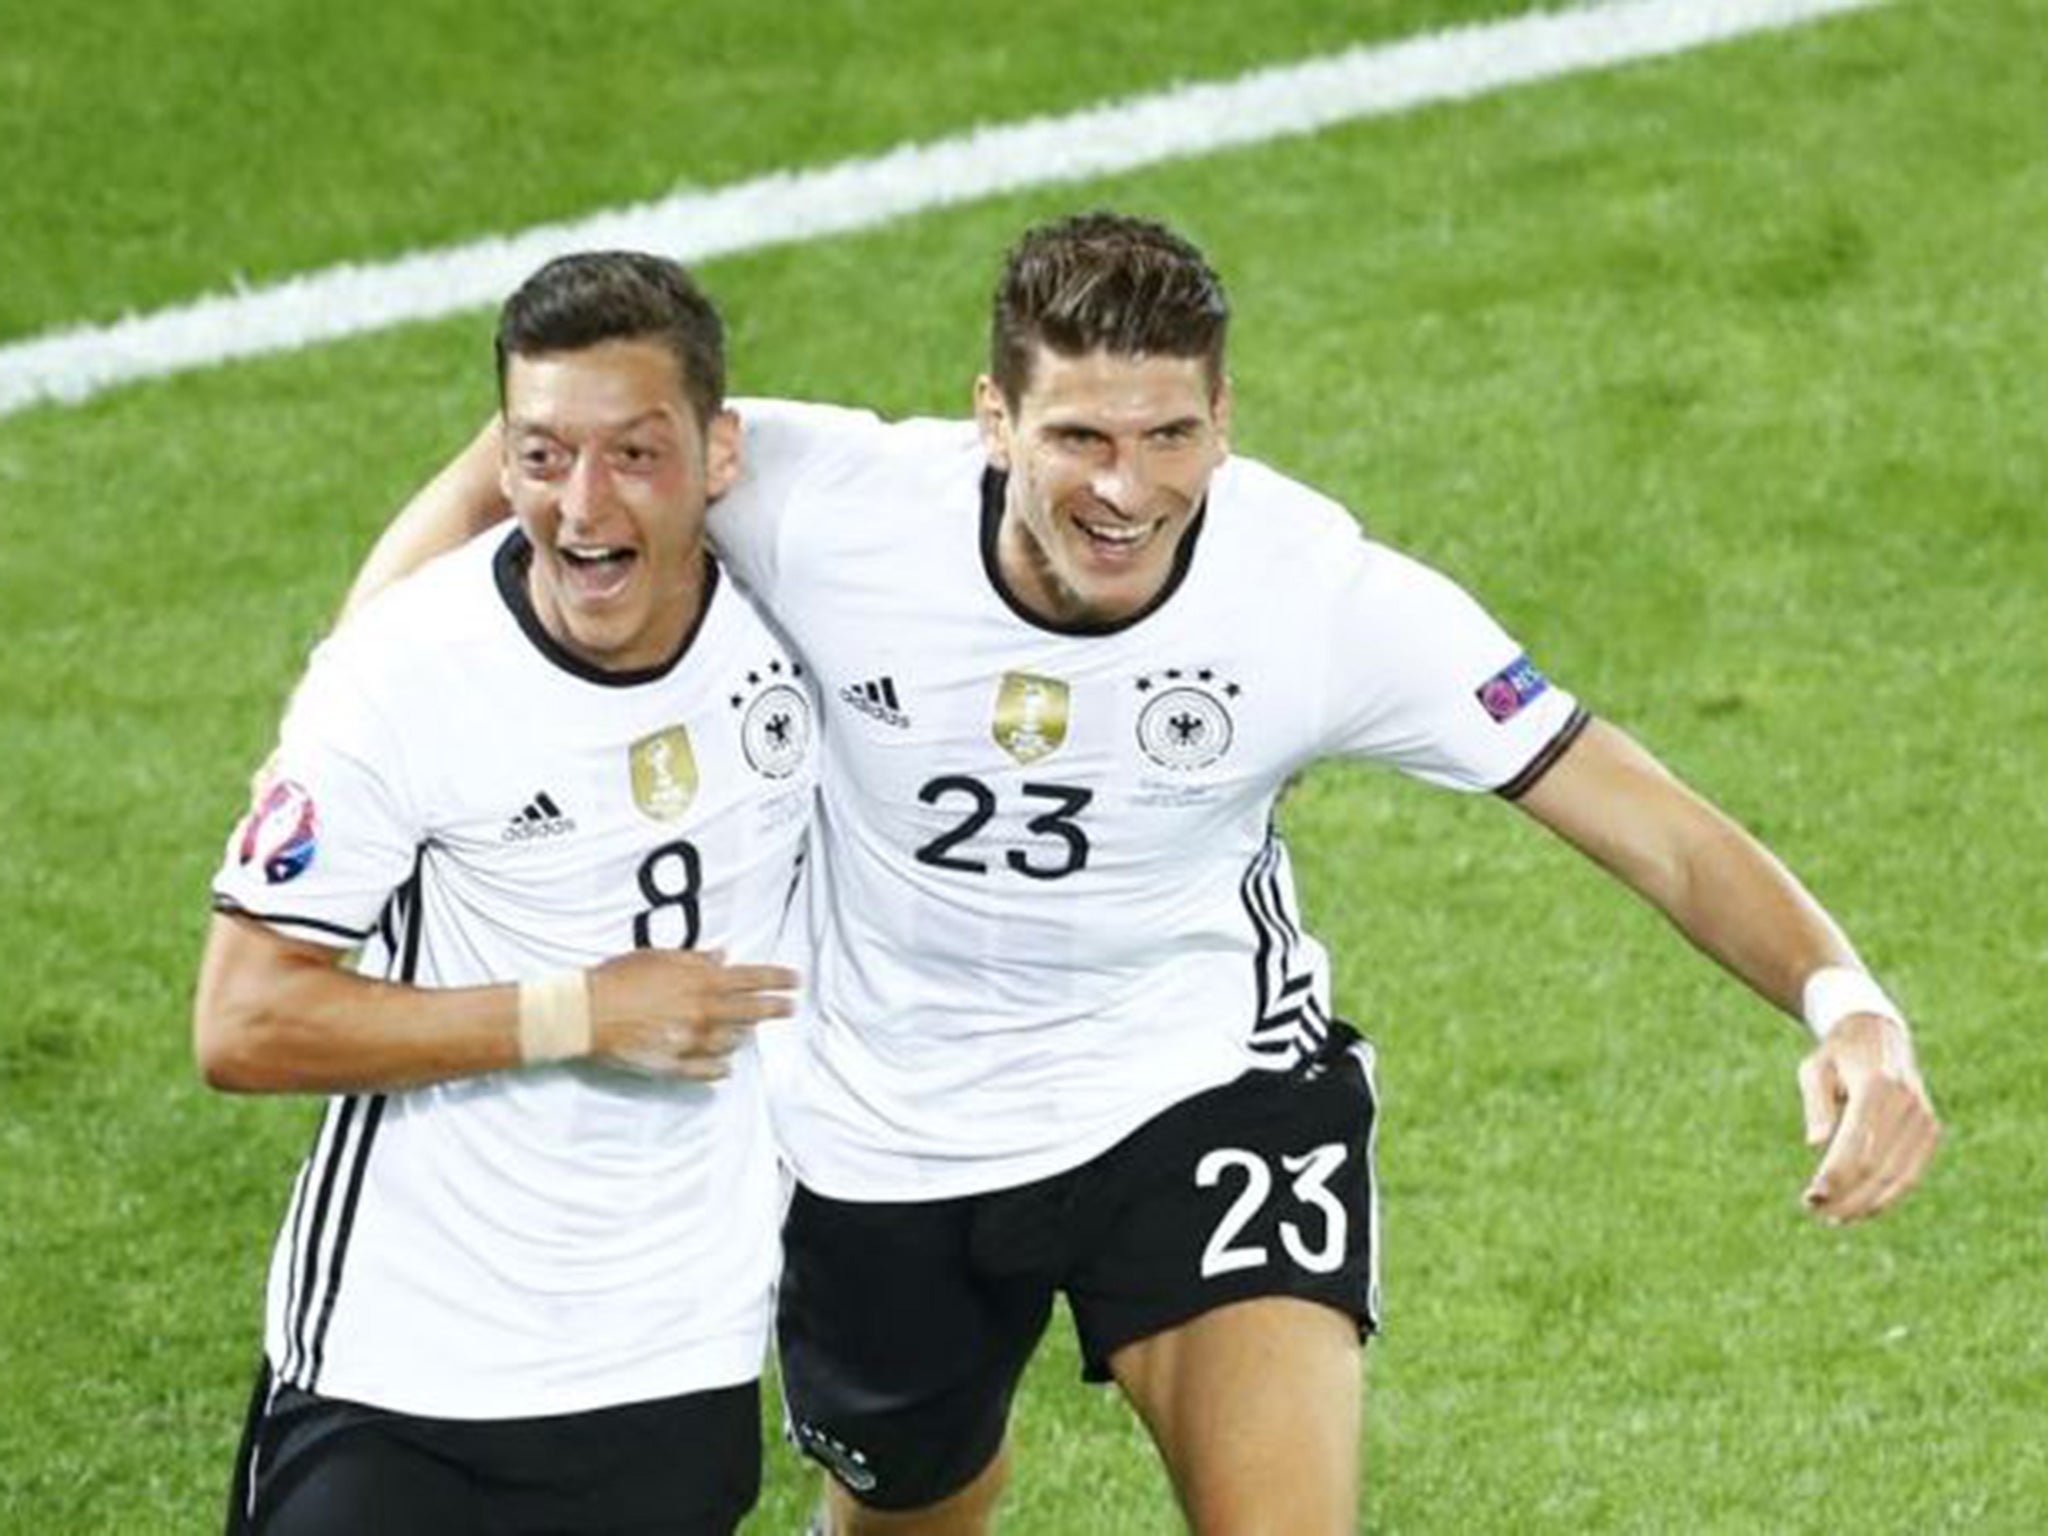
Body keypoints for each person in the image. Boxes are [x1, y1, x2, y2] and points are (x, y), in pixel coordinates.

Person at [347, 213, 1940, 1536]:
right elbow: (553, 443)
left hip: (1194, 1091)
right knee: (911, 1513)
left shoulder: (1318, 595)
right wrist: (362, 696)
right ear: (992, 422)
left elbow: (1639, 810)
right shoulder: (833, 504)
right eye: (1081, 439)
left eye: (1173, 434)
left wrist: (1848, 1006)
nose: (1128, 489)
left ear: (1225, 421)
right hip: (877, 1139)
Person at [194, 251, 817, 1535]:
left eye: (634, 455)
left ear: (720, 455)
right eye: (542, 457)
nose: (583, 506)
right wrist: (575, 1013)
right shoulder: (407, 675)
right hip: (401, 1372)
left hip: (677, 1363)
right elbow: (244, 1023)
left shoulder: (807, 617)